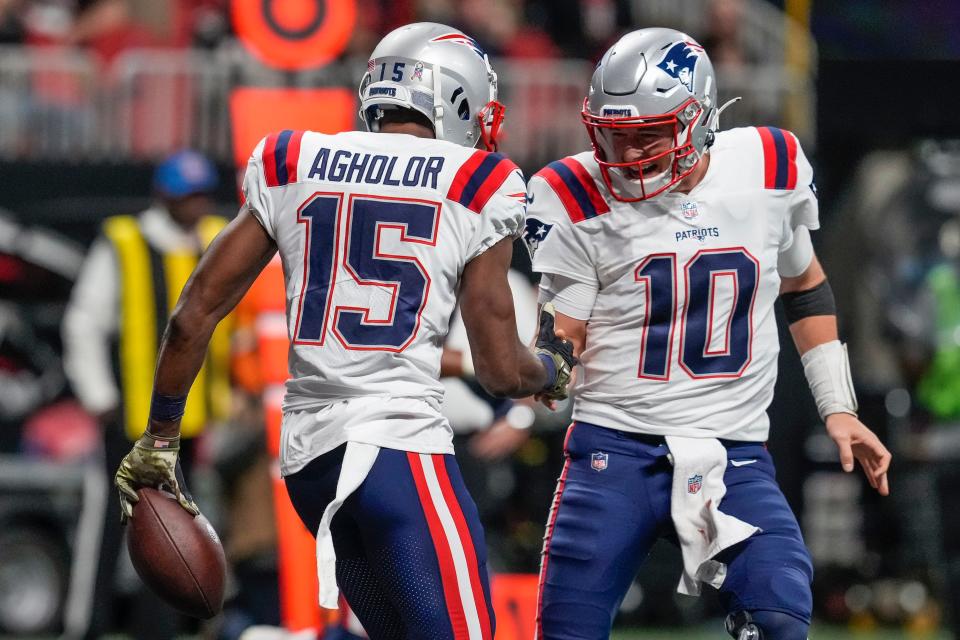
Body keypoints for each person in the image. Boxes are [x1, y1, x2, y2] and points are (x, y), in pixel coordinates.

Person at [112, 22, 576, 640]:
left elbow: (192, 315)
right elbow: (499, 368)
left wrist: (159, 439)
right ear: (454, 99)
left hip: (309, 461)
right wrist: (552, 368)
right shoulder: (478, 184)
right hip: (397, 449)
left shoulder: (294, 159)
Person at [524, 28, 892, 640]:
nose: (624, 153)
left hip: (734, 454)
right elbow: (564, 336)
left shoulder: (768, 166)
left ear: (697, 121)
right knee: (565, 631)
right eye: (613, 134)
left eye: (646, 133)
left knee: (779, 617)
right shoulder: (574, 193)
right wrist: (542, 368)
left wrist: (838, 406)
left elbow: (805, 285)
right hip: (613, 451)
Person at [62, 149, 229, 640]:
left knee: (174, 537)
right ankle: (86, 624)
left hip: (189, 421)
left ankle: (157, 629)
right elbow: (83, 322)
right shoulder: (126, 241)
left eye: (201, 196)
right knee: (111, 527)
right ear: (164, 197)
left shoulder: (211, 242)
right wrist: (98, 394)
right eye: (186, 197)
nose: (196, 207)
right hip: (133, 419)